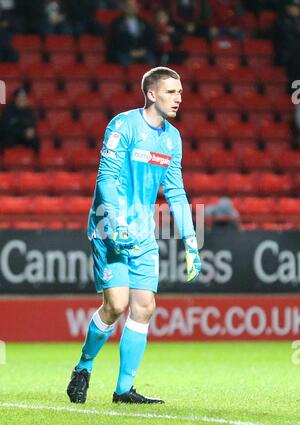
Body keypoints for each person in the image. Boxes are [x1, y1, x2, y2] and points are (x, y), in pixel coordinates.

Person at [67, 67, 202, 405]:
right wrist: (115, 221)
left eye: (181, 92)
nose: (179, 98)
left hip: (142, 230)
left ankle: (123, 389)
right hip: (108, 226)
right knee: (116, 305)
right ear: (152, 94)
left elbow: (175, 191)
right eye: (172, 92)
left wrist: (190, 241)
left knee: (144, 306)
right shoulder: (123, 125)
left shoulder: (172, 138)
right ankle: (84, 366)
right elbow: (106, 179)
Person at [0, 88, 40, 152]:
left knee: (35, 139)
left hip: (24, 137)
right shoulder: (8, 110)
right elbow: (7, 127)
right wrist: (23, 132)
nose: (22, 100)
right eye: (20, 98)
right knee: (7, 136)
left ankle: (35, 159)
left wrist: (31, 131)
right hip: (11, 137)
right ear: (15, 99)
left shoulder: (29, 111)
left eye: (24, 98)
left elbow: (32, 125)